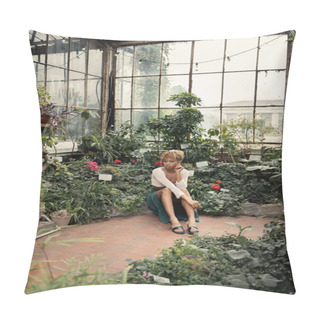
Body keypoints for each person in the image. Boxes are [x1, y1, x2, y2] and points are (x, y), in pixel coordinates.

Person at [145, 150, 201, 234]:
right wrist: (189, 200)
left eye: (171, 161)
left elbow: (182, 188)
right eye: (165, 161)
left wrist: (178, 173)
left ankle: (192, 220)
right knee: (166, 190)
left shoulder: (184, 172)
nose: (167, 163)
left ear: (178, 162)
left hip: (176, 194)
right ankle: (173, 219)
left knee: (184, 191)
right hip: (157, 195)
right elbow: (171, 187)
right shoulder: (157, 171)